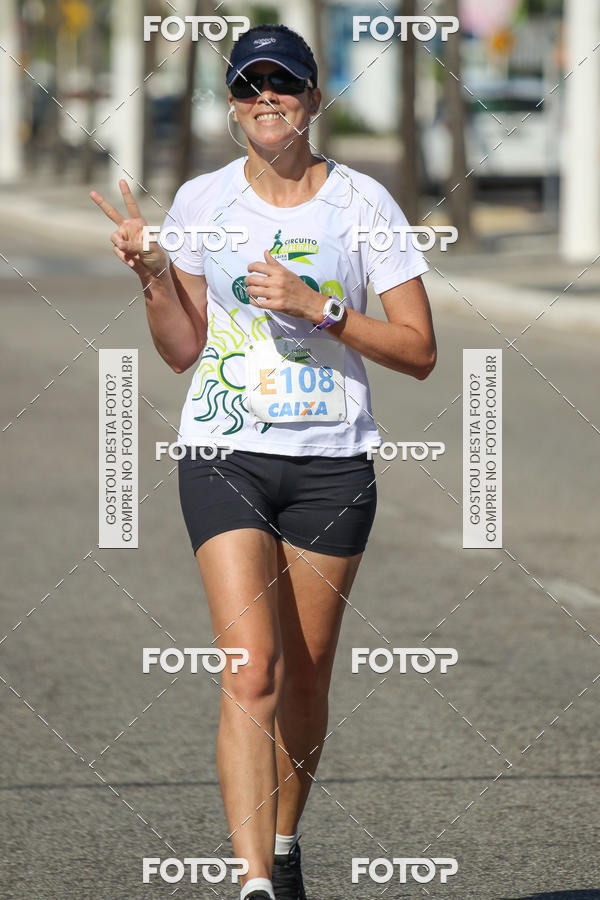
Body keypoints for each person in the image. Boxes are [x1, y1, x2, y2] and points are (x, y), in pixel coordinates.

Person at [91, 23, 436, 900]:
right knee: (252, 665)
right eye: (249, 87)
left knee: (308, 676)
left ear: (314, 98)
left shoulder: (363, 206)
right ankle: (250, 885)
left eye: (283, 84)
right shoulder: (204, 201)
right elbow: (180, 350)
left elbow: (420, 349)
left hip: (331, 462)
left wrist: (325, 312)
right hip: (225, 452)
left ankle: (283, 846)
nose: (265, 99)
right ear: (234, 104)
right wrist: (152, 273)